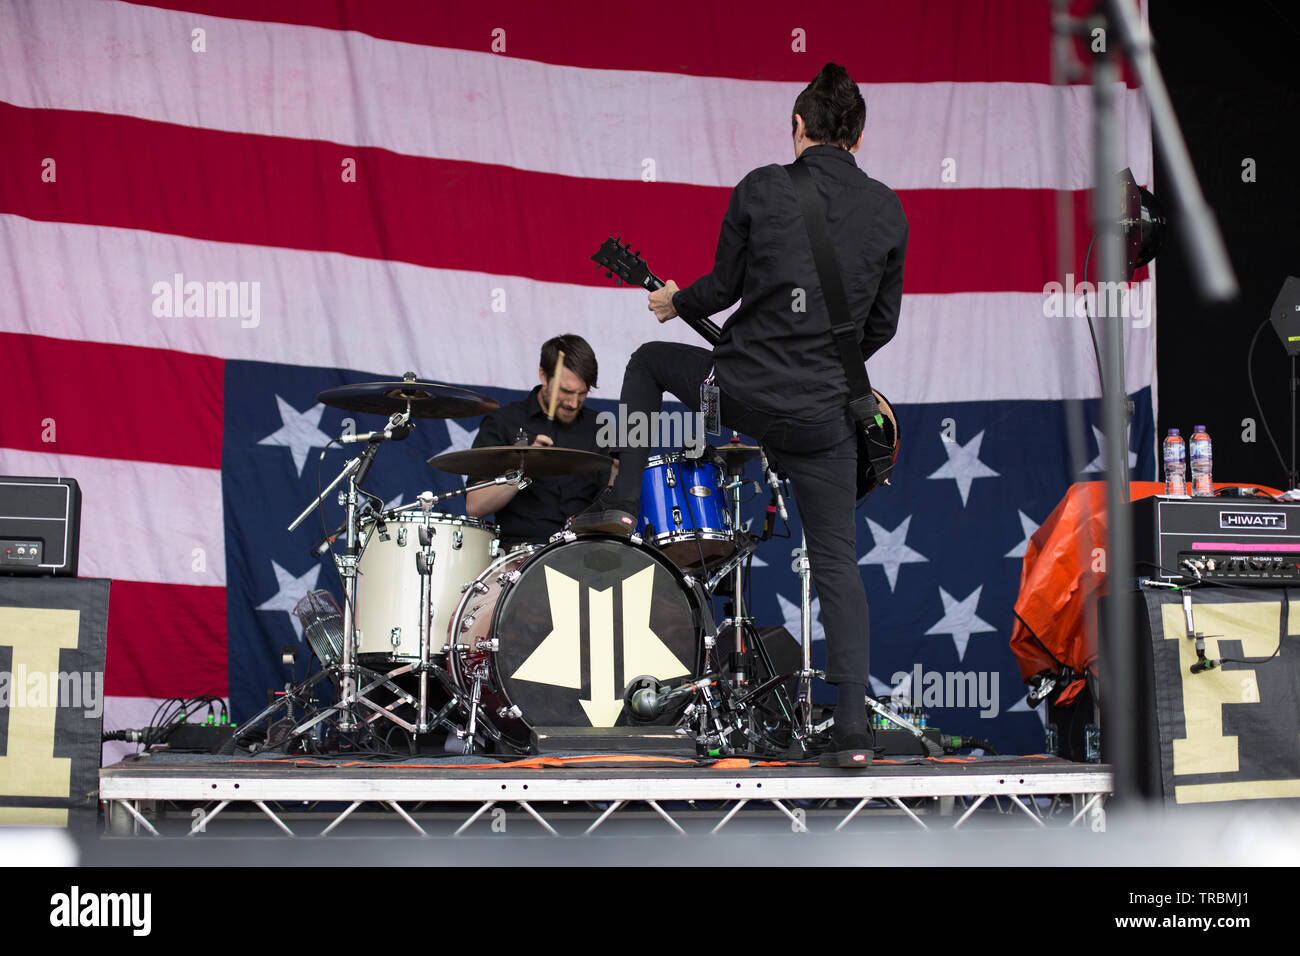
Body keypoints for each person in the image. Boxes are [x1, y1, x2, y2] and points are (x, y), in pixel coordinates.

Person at [574, 63, 908, 768]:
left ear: (797, 127)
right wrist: (824, 355)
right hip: (824, 416)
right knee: (837, 564)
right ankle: (851, 730)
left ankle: (624, 502)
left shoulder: (762, 187)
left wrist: (673, 301)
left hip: (743, 395)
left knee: (648, 363)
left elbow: (723, 289)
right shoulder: (888, 211)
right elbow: (881, 327)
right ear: (860, 133)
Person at [466, 334, 611, 549]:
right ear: (543, 375)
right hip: (520, 556)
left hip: (585, 553)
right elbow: (475, 506)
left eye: (582, 393)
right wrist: (524, 469)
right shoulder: (504, 422)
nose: (573, 402)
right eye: (566, 391)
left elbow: (612, 504)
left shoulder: (599, 427)